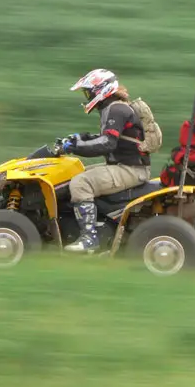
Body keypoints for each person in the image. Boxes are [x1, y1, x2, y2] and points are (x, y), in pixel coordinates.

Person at [62, 68, 151, 253]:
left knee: (81, 182)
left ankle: (89, 239)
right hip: (126, 166)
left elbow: (107, 143)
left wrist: (75, 147)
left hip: (130, 169)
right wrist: (80, 138)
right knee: (76, 173)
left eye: (89, 92)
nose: (87, 96)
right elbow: (111, 138)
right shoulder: (115, 107)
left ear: (101, 90)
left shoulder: (117, 109)